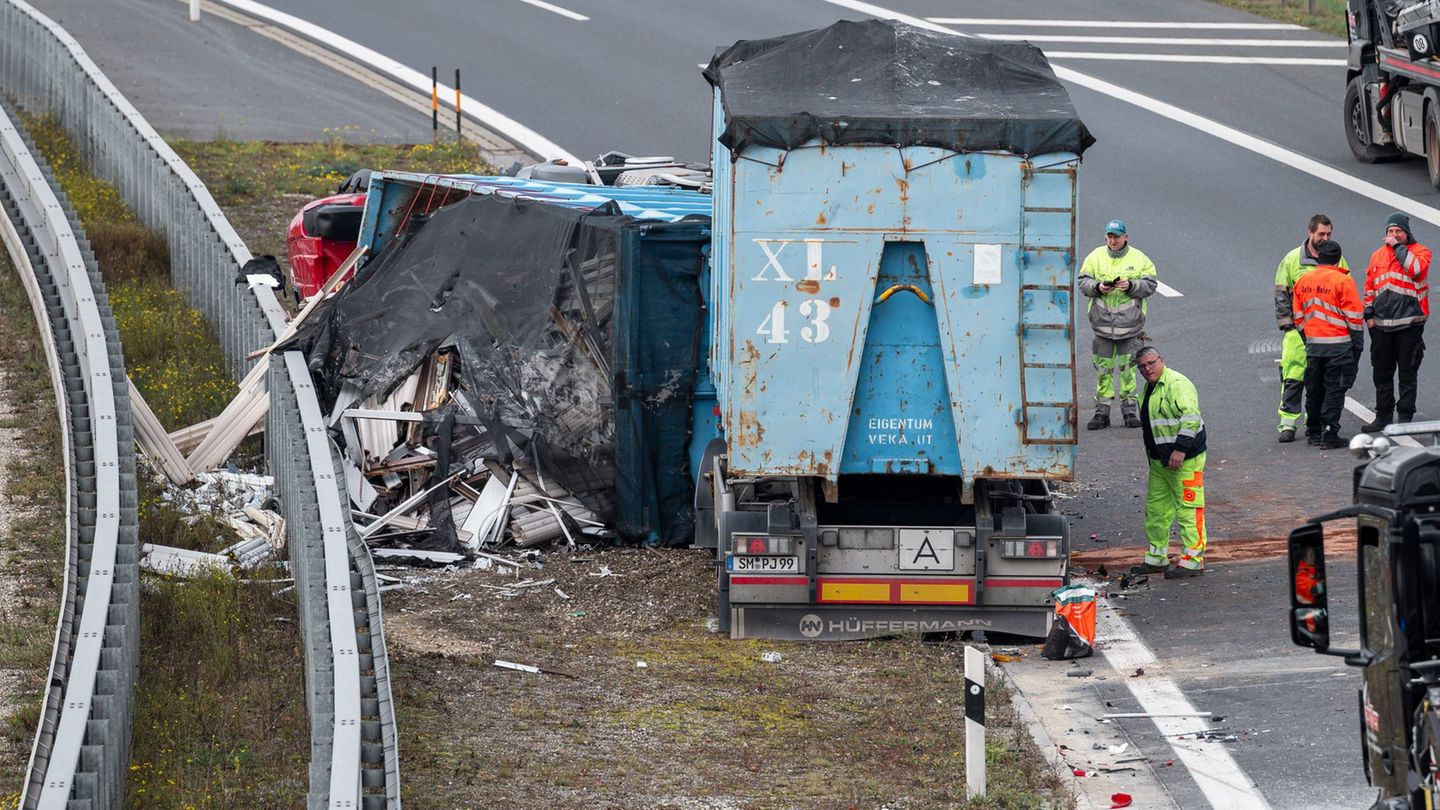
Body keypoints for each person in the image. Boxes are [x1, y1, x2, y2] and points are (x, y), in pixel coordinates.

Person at [1129, 346, 1207, 580]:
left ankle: (1193, 560)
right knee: (1157, 510)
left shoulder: (1177, 384)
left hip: (1184, 460)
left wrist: (1180, 449)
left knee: (1188, 510)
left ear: (1161, 360)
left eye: (1151, 363)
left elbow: (1191, 418)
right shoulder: (1150, 389)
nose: (1147, 369)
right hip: (1160, 462)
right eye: (1142, 367)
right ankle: (1157, 558)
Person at [1078, 219, 1159, 430]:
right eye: (1110, 236)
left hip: (1130, 328)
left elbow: (1151, 285)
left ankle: (1129, 411)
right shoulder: (1095, 257)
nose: (1113, 241)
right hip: (1102, 327)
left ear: (1126, 237)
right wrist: (1098, 287)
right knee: (1103, 371)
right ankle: (1101, 412)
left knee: (1128, 371)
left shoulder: (1139, 259)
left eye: (1117, 236)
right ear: (1106, 237)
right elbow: (1083, 283)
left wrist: (1131, 285)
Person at [1273, 215, 1348, 443]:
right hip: (1298, 330)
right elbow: (1281, 293)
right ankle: (1287, 424)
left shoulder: (1337, 258)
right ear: (1310, 232)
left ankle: (1312, 423)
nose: (1325, 238)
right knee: (1293, 376)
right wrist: (1288, 326)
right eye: (1321, 234)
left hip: (1325, 333)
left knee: (1320, 380)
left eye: (1329, 234)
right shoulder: (1292, 260)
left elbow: (1345, 291)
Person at [1361, 212, 1430, 430]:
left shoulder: (1420, 252)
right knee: (1381, 373)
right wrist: (1369, 315)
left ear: (1406, 233)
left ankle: (1405, 417)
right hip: (1382, 326)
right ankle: (1383, 416)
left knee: (1407, 374)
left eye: (1398, 231)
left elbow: (1415, 269)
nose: (1393, 234)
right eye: (1390, 231)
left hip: (1409, 324)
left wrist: (1398, 247)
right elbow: (1370, 286)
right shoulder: (1377, 255)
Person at [1293, 240, 1365, 449]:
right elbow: (1354, 318)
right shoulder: (1343, 281)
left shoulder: (1303, 281)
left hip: (1314, 346)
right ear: (1338, 259)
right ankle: (1330, 433)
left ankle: (1314, 431)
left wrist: (1308, 338)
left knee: (1314, 389)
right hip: (1339, 346)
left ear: (1318, 257)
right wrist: (1357, 345)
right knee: (1334, 389)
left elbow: (1298, 317)